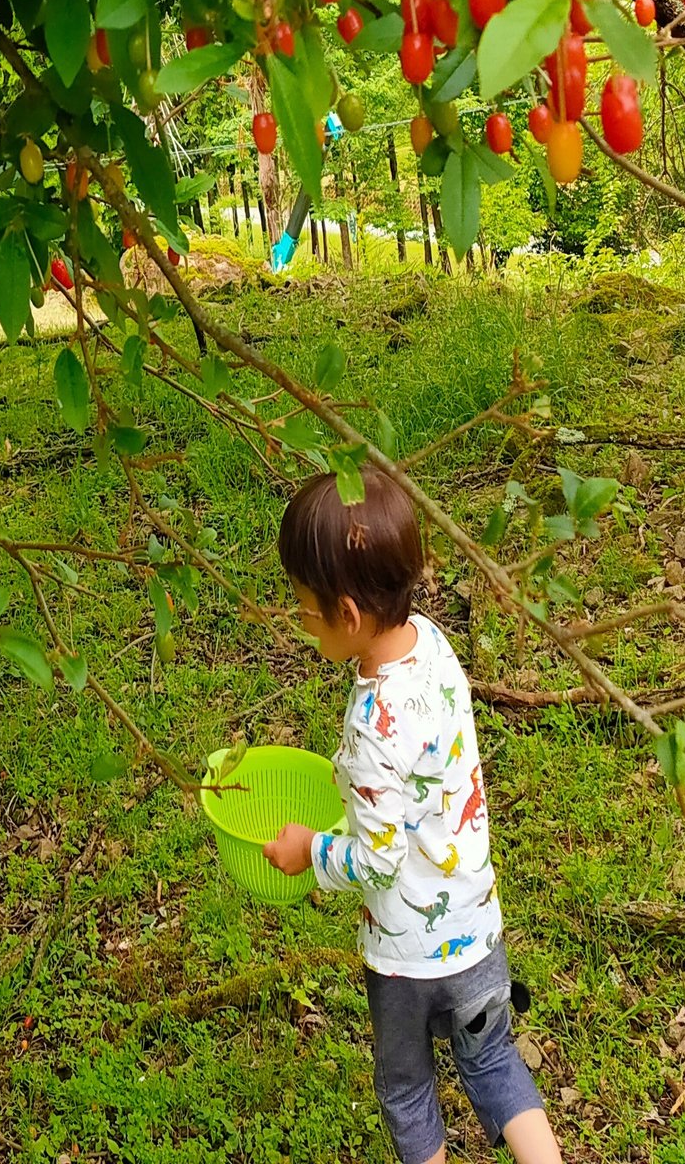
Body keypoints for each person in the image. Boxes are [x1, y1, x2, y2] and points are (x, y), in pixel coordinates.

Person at [261, 465, 562, 1164]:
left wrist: (311, 851)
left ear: (348, 614)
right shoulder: (430, 642)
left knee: (406, 1089)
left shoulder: (372, 724)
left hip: (407, 957)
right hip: (477, 929)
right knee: (491, 1062)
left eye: (302, 606)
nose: (297, 620)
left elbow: (378, 858)